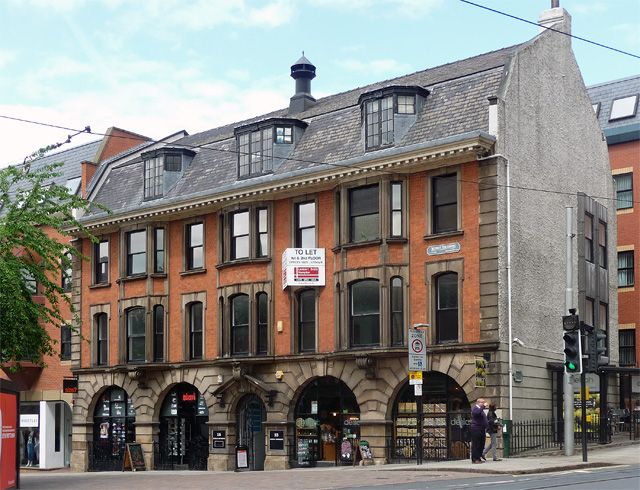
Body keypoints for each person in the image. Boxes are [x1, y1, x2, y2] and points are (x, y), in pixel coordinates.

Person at [470, 398, 488, 464]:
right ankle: (475, 459)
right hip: (476, 429)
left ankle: (478, 457)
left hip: (481, 429)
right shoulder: (475, 408)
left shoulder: (481, 409)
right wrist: (483, 406)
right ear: (478, 403)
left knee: (481, 444)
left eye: (484, 402)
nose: (484, 403)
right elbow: (476, 413)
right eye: (482, 402)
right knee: (476, 444)